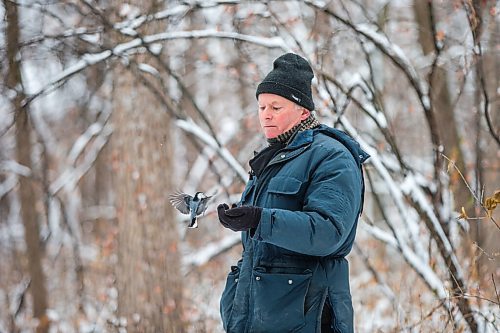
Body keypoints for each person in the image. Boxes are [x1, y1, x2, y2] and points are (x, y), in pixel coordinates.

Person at [217, 53, 369, 333]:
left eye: (276, 106)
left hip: (308, 318)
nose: (266, 114)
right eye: (262, 107)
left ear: (303, 111)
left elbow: (327, 232)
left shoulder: (332, 157)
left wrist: (259, 220)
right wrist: (241, 217)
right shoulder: (274, 159)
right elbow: (262, 243)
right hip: (261, 317)